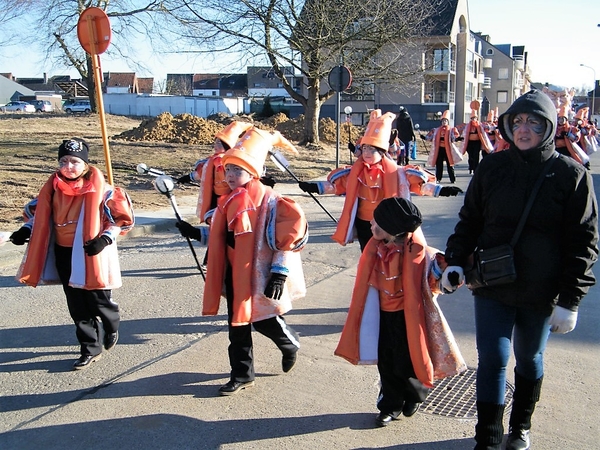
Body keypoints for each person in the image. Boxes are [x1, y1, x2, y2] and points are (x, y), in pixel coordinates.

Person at [441, 89, 598, 450]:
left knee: (529, 357)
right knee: (493, 359)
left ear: (548, 126)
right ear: (508, 126)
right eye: (517, 121)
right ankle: (489, 437)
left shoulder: (570, 175)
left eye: (533, 122)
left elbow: (584, 243)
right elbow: (470, 221)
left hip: (541, 291)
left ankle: (521, 425)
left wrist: (570, 300)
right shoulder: (492, 168)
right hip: (493, 284)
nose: (524, 129)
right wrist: (454, 262)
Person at [175, 127, 308, 396]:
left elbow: (287, 240)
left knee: (263, 320)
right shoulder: (225, 203)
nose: (231, 175)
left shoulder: (273, 203)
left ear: (253, 173)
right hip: (233, 273)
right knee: (237, 326)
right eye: (228, 169)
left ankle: (289, 343)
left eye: (238, 170)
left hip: (258, 276)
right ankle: (242, 374)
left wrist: (279, 273)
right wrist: (195, 232)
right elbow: (220, 237)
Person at [335, 197, 466, 428]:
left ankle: (415, 394)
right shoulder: (374, 249)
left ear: (393, 229)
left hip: (410, 319)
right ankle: (390, 405)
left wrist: (449, 277)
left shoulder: (421, 254)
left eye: (377, 223)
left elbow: (438, 277)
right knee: (386, 362)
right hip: (380, 316)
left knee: (408, 361)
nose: (371, 225)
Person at [9, 138, 135, 369]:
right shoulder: (52, 189)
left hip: (93, 252)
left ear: (85, 165)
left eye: (74, 162)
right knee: (76, 303)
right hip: (63, 252)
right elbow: (40, 216)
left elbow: (120, 220)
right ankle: (90, 347)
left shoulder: (104, 191)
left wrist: (104, 239)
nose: (68, 167)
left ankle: (111, 321)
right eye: (64, 161)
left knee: (97, 300)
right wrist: (24, 231)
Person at [298, 109, 463, 251]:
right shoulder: (354, 172)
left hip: (387, 225)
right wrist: (314, 187)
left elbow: (421, 186)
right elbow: (335, 187)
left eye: (372, 149)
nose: (367, 153)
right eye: (364, 148)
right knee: (368, 256)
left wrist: (441, 190)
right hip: (364, 223)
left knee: (387, 259)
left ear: (382, 151)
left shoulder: (398, 173)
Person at [176, 120, 254, 223]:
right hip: (214, 194)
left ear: (227, 146)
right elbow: (203, 173)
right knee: (214, 217)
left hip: (228, 194)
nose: (215, 146)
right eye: (215, 143)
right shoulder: (212, 160)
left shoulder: (226, 161)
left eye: (219, 144)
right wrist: (189, 177)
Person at [426, 110, 463, 183]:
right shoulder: (436, 130)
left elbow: (454, 137)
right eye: (443, 121)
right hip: (439, 149)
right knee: (439, 165)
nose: (444, 122)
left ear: (448, 121)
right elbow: (431, 138)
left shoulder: (451, 130)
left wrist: (458, 138)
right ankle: (438, 178)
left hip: (448, 149)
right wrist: (425, 138)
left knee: (450, 164)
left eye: (445, 121)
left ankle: (452, 179)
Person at [460, 101, 494, 174]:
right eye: (472, 118)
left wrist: (492, 127)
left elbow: (488, 127)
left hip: (477, 142)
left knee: (476, 156)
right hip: (470, 142)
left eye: (475, 118)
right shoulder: (467, 126)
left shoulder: (480, 125)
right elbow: (462, 131)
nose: (473, 120)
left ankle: (475, 169)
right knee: (470, 156)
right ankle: (471, 167)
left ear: (477, 118)